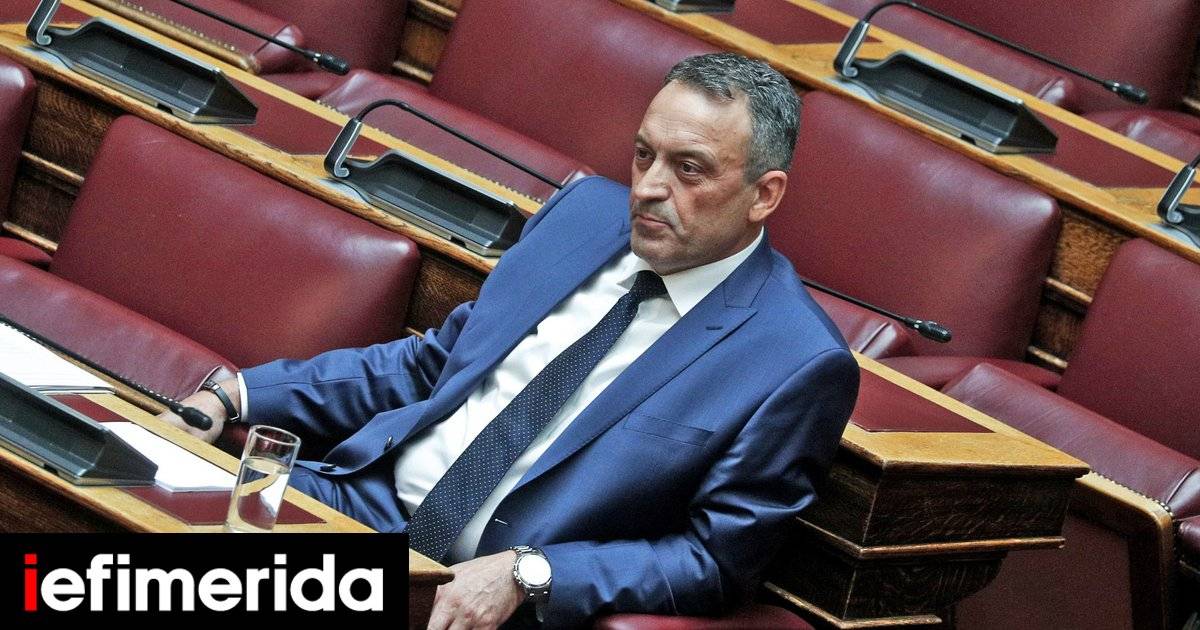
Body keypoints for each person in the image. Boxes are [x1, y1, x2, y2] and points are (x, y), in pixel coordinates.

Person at [164, 52, 859, 629]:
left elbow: (712, 563)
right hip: (361, 506)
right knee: (143, 505)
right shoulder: (582, 216)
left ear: (764, 195)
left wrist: (534, 573)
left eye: (689, 169)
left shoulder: (794, 360)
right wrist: (239, 393)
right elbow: (433, 367)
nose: (648, 187)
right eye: (644, 154)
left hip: (481, 597)